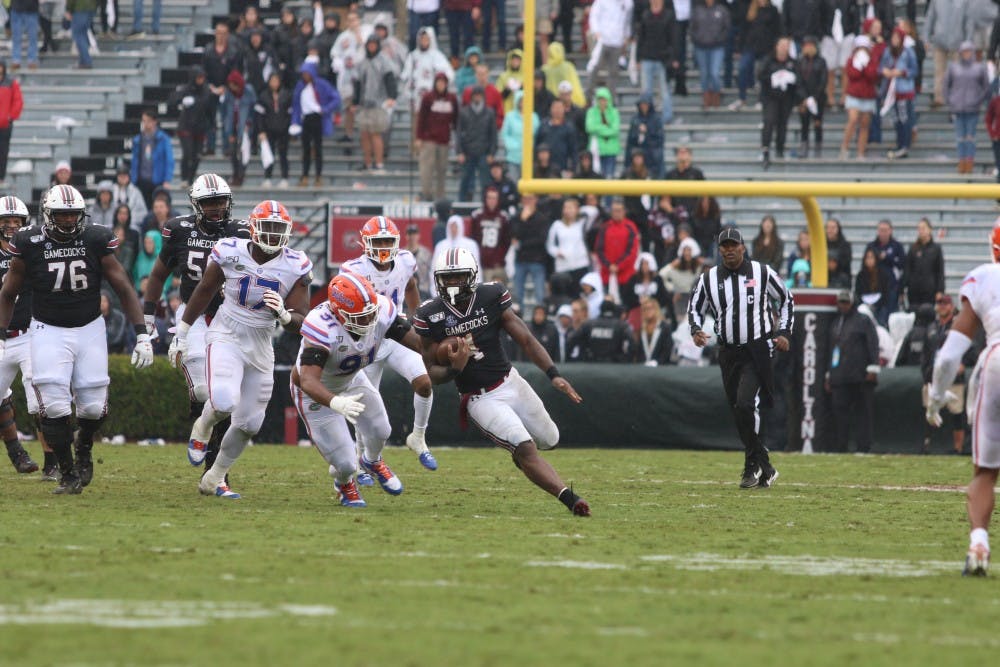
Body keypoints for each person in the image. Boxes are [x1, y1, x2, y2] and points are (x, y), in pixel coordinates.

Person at [414, 247, 590, 516]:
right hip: (479, 397)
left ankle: (523, 459)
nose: (452, 284)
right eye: (447, 278)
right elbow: (431, 371)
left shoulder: (491, 295)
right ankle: (569, 497)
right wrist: (454, 370)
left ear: (472, 276)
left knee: (550, 439)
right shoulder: (430, 313)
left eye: (458, 277)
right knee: (525, 448)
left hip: (511, 382)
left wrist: (553, 374)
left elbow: (527, 339)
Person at [0, 185, 154, 494]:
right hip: (47, 328)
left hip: (90, 327)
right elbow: (8, 293)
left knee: (94, 408)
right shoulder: (29, 242)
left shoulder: (95, 238)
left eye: (74, 214)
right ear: (48, 215)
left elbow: (123, 287)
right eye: (62, 215)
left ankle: (83, 446)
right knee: (54, 407)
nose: (69, 220)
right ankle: (68, 472)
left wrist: (142, 333)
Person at [171, 200, 312, 500]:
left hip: (262, 343)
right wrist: (182, 331)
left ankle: (215, 477)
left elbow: (301, 318)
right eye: (267, 228)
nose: (273, 236)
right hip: (227, 332)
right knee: (222, 400)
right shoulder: (230, 250)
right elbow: (205, 290)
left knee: (250, 423)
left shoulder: (295, 264)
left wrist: (285, 317)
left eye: (279, 230)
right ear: (253, 228)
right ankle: (203, 424)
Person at [142, 174, 248, 485]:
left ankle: (215, 468)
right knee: (205, 392)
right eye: (208, 203)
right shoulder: (179, 230)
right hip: (194, 314)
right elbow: (159, 275)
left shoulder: (241, 232)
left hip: (231, 317)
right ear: (196, 204)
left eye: (220, 202)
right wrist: (147, 319)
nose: (216, 209)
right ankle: (205, 434)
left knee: (226, 399)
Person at [292, 273, 423, 506]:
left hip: (351, 379)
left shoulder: (379, 309)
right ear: (339, 313)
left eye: (371, 312)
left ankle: (372, 460)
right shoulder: (321, 325)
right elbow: (308, 381)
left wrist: (446, 352)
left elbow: (419, 344)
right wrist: (336, 402)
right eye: (362, 317)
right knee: (345, 464)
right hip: (316, 392)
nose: (371, 320)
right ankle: (343, 483)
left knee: (382, 430)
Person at [689, 227, 793, 488]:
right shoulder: (708, 278)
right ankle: (763, 465)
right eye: (724, 246)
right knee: (738, 410)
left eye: (733, 244)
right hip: (728, 351)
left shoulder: (762, 272)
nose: (729, 249)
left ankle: (754, 464)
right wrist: (696, 329)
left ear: (743, 247)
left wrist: (783, 332)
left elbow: (787, 299)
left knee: (746, 404)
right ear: (719, 249)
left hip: (757, 348)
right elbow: (695, 308)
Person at [923, 223, 1000, 575]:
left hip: (997, 363)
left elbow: (950, 354)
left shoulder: (985, 277)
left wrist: (936, 397)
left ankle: (979, 543)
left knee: (985, 472)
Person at [340, 217, 439, 472]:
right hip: (367, 338)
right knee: (365, 403)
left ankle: (418, 437)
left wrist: (416, 317)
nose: (384, 246)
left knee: (424, 382)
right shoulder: (354, 269)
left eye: (388, 241)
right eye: (378, 241)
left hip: (397, 332)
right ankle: (362, 459)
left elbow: (412, 286)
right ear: (366, 243)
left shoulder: (405, 261)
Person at [0, 196, 44, 475]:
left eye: (17, 222)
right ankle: (17, 452)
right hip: (0, 335)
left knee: (42, 400)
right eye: (6, 222)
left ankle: (54, 461)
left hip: (29, 334)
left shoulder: (31, 252)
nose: (12, 227)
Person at [921, 294, 978, 456]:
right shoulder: (932, 327)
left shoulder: (958, 325)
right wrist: (925, 371)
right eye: (939, 304)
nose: (942, 307)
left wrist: (963, 364)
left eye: (945, 304)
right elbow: (926, 353)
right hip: (932, 376)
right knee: (930, 412)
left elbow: (971, 350)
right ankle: (928, 445)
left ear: (951, 306)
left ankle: (958, 447)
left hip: (954, 378)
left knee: (956, 414)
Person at [824, 289, 879, 453]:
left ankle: (864, 447)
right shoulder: (835, 323)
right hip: (839, 376)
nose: (843, 305)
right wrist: (829, 374)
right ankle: (841, 447)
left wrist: (873, 367)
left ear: (852, 302)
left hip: (860, 376)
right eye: (840, 302)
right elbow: (831, 350)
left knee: (863, 413)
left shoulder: (863, 320)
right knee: (840, 413)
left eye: (846, 302)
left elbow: (873, 343)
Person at [291, 61, 341, 188]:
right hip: (305, 120)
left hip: (318, 118)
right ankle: (305, 175)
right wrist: (295, 122)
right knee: (306, 150)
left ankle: (318, 176)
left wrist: (325, 109)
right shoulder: (300, 86)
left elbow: (335, 98)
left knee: (318, 149)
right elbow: (296, 105)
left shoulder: (321, 85)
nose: (305, 76)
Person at [944, 41, 991, 174]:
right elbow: (946, 86)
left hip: (973, 108)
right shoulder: (953, 68)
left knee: (970, 137)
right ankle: (961, 160)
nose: (967, 54)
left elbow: (985, 87)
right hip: (957, 107)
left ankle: (969, 161)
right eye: (964, 51)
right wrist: (950, 101)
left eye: (969, 51)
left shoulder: (979, 68)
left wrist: (978, 100)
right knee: (960, 137)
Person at [354, 35, 398, 174]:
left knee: (376, 134)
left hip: (378, 102)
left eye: (374, 44)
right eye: (369, 44)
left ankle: (379, 164)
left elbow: (390, 79)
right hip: (364, 102)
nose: (371, 47)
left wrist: (392, 96)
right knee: (364, 134)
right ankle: (367, 163)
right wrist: (355, 102)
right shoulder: (362, 63)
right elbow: (358, 83)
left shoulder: (383, 61)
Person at [202, 22, 245, 155]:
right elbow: (204, 71)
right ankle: (210, 146)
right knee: (210, 120)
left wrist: (226, 87)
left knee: (228, 119)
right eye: (218, 33)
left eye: (224, 33)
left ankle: (227, 147)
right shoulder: (208, 50)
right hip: (211, 89)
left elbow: (236, 72)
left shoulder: (233, 51)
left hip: (228, 90)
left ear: (228, 35)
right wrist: (210, 86)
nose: (221, 36)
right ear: (215, 34)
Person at [730, 0, 781, 110]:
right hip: (750, 46)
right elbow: (743, 29)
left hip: (766, 48)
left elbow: (777, 30)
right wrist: (739, 47)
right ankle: (742, 98)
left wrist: (775, 47)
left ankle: (761, 100)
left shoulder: (773, 10)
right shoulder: (750, 9)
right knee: (743, 68)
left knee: (762, 73)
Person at [416, 72, 458, 202]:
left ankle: (440, 196)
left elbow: (456, 118)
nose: (441, 85)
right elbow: (421, 118)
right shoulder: (428, 97)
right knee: (426, 168)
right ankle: (426, 193)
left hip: (444, 140)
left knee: (442, 169)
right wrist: (419, 137)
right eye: (438, 82)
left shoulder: (452, 99)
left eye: (443, 82)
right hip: (429, 139)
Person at [169, 66, 214, 187]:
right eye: (199, 77)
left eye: (202, 77)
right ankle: (184, 177)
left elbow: (207, 106)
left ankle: (190, 179)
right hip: (186, 126)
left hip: (200, 127)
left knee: (197, 156)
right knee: (188, 153)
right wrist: (182, 100)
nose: (201, 80)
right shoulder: (186, 89)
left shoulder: (206, 90)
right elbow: (173, 100)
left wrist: (195, 101)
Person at [758, 37, 797, 166]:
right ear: (777, 46)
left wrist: (790, 78)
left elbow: (798, 80)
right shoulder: (768, 60)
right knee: (769, 121)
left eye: (787, 45)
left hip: (786, 98)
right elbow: (760, 75)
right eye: (782, 45)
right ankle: (765, 149)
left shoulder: (792, 62)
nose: (784, 48)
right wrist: (773, 77)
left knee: (782, 123)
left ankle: (780, 148)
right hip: (770, 97)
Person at [635, 0, 676, 121]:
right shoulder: (645, 15)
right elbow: (641, 38)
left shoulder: (669, 15)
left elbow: (673, 38)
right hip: (647, 57)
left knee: (665, 91)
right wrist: (638, 58)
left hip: (663, 59)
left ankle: (667, 117)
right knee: (646, 91)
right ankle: (648, 117)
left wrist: (673, 57)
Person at [330, 10, 367, 147]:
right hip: (346, 77)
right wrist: (340, 62)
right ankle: (349, 133)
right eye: (350, 20)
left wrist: (359, 41)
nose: (353, 22)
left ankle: (362, 132)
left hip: (361, 76)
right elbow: (334, 52)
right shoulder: (343, 36)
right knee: (348, 106)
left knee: (360, 106)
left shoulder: (364, 34)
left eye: (355, 19)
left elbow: (366, 53)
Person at [840, 35, 880, 160]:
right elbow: (853, 74)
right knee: (852, 120)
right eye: (859, 48)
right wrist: (858, 64)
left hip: (868, 95)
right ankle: (844, 148)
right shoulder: (851, 60)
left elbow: (872, 76)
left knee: (864, 125)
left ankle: (860, 153)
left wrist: (866, 65)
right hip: (854, 95)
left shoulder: (872, 61)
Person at [882, 26, 918, 160]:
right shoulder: (888, 52)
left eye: (897, 37)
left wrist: (902, 73)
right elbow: (881, 66)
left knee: (904, 118)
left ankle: (905, 145)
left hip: (905, 90)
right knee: (896, 119)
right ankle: (899, 143)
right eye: (893, 37)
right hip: (892, 91)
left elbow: (914, 70)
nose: (895, 40)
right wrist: (885, 71)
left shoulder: (908, 52)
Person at [512, 192, 552, 310]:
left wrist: (523, 243)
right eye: (525, 199)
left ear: (535, 200)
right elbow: (514, 235)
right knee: (518, 295)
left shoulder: (542, 218)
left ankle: (540, 319)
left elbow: (541, 240)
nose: (527, 202)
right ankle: (519, 322)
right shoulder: (517, 217)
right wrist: (523, 221)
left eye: (530, 199)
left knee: (540, 295)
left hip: (537, 260)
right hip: (521, 259)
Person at [587, 0, 634, 99]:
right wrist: (596, 31)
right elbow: (594, 15)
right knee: (595, 67)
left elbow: (627, 20)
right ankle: (588, 95)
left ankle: (610, 99)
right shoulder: (602, 1)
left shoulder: (628, 3)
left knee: (613, 72)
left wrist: (626, 35)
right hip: (603, 40)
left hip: (617, 41)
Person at [457, 87, 497, 201]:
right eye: (475, 95)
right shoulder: (464, 112)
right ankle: (462, 203)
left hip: (484, 152)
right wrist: (459, 152)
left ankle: (486, 203)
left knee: (485, 181)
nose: (477, 97)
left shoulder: (489, 112)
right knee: (465, 180)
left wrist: (492, 153)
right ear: (472, 97)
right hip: (468, 152)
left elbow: (493, 134)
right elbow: (459, 133)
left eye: (479, 95)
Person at [130, 110, 174, 209]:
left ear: (154, 122)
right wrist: (133, 178)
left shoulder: (163, 139)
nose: (146, 124)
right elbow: (135, 161)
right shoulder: (138, 139)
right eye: (144, 121)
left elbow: (169, 160)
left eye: (148, 121)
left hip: (157, 180)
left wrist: (167, 179)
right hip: (141, 180)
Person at [692, 0, 731, 109]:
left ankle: (716, 93)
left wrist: (720, 39)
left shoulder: (722, 9)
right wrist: (697, 38)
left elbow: (727, 27)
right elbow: (693, 26)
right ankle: (706, 96)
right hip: (701, 47)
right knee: (704, 73)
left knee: (714, 72)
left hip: (717, 47)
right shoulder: (697, 9)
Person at [595, 199, 641, 291]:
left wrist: (618, 266)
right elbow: (599, 249)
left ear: (624, 211)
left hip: (626, 275)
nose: (616, 213)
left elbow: (632, 251)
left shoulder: (630, 227)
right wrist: (608, 266)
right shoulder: (605, 227)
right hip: (607, 274)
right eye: (614, 211)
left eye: (619, 211)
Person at [469, 187, 511, 284]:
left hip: (498, 264)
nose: (492, 201)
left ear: (498, 200)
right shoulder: (477, 216)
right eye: (489, 198)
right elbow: (473, 239)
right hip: (482, 264)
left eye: (494, 198)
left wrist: (499, 258)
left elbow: (506, 241)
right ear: (485, 199)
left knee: (501, 293)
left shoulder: (503, 217)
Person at [257, 73, 292, 188]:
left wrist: (288, 127)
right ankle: (267, 177)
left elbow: (289, 114)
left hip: (283, 130)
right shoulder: (263, 96)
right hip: (269, 130)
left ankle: (284, 178)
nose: (274, 83)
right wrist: (261, 130)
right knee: (268, 154)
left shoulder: (286, 95)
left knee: (283, 154)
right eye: (272, 81)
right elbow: (259, 115)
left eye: (276, 81)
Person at [795, 35, 827, 158]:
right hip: (803, 98)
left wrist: (814, 97)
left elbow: (823, 81)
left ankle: (818, 146)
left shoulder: (821, 61)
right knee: (804, 123)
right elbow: (798, 81)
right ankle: (804, 145)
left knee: (817, 122)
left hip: (818, 97)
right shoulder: (800, 62)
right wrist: (804, 98)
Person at [431, 215, 481, 294]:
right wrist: (434, 288)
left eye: (456, 226)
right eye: (451, 226)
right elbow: (434, 268)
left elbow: (476, 267)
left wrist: (475, 287)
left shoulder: (471, 245)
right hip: (445, 286)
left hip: (465, 285)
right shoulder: (440, 246)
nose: (453, 229)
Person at [866, 219, 905, 318]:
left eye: (885, 230)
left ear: (890, 231)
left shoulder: (897, 246)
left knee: (889, 315)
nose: (883, 233)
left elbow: (902, 265)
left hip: (891, 288)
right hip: (874, 288)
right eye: (881, 230)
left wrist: (887, 258)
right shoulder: (872, 246)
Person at [223, 71, 257, 188]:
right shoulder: (229, 94)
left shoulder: (248, 91)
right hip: (232, 127)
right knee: (233, 152)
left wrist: (250, 124)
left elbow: (254, 110)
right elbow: (226, 113)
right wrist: (229, 131)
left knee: (243, 151)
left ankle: (241, 175)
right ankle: (235, 173)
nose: (232, 88)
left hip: (246, 127)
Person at [903, 218, 944, 310]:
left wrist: (940, 290)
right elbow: (907, 269)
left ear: (930, 230)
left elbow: (940, 271)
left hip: (929, 290)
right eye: (919, 229)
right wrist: (903, 288)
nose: (921, 231)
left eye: (923, 228)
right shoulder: (913, 248)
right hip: (914, 291)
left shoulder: (936, 249)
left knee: (928, 314)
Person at [499, 90, 538, 182]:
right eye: (521, 101)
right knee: (514, 182)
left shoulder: (534, 117)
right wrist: (513, 146)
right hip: (513, 156)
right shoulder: (510, 116)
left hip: (529, 157)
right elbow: (505, 134)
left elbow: (537, 134)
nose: (523, 103)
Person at [585, 87, 621, 179]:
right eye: (600, 99)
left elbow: (615, 130)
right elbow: (590, 128)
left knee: (609, 177)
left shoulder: (614, 112)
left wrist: (599, 129)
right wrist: (606, 128)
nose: (602, 102)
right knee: (597, 177)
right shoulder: (591, 112)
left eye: (604, 99)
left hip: (611, 150)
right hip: (596, 150)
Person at [626, 94, 665, 178]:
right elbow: (630, 139)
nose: (644, 107)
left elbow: (660, 139)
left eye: (646, 104)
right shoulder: (635, 119)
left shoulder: (656, 119)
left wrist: (647, 132)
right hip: (638, 156)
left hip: (652, 156)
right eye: (642, 104)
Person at [536, 100, 577, 177]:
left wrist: (572, 169)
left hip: (563, 169)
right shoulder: (543, 125)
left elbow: (573, 150)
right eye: (555, 107)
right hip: (544, 170)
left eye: (559, 108)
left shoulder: (569, 127)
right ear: (551, 109)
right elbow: (537, 145)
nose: (557, 110)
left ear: (564, 109)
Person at [854, 247, 893, 327]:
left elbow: (886, 294)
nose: (869, 260)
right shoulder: (861, 275)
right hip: (864, 305)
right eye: (867, 258)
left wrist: (876, 304)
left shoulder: (883, 275)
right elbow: (858, 292)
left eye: (871, 257)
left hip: (880, 306)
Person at [462, 64, 505, 129]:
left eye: (483, 74)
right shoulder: (468, 92)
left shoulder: (495, 92)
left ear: (488, 74)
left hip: (489, 130)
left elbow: (500, 114)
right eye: (479, 74)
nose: (481, 77)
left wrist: (494, 126)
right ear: (475, 75)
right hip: (471, 130)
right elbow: (463, 112)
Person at [635, 297, 674, 365]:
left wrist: (657, 362)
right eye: (645, 309)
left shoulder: (665, 327)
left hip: (661, 367)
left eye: (650, 308)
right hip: (643, 368)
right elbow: (639, 351)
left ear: (656, 309)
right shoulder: (642, 329)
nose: (648, 311)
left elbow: (667, 349)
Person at [0, 62, 21, 190]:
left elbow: (18, 100)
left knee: (3, 152)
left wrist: (11, 116)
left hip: (5, 125)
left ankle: (1, 177)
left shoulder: (11, 83)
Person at [66, 0, 96, 69]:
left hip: (79, 8)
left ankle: (86, 61)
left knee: (78, 35)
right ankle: (82, 61)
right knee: (83, 34)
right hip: (90, 8)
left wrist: (68, 9)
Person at [825, 216, 852, 288]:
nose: (830, 230)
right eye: (828, 228)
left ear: (838, 229)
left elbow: (846, 262)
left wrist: (835, 264)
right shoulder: (821, 245)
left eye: (833, 228)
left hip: (842, 280)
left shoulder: (845, 245)